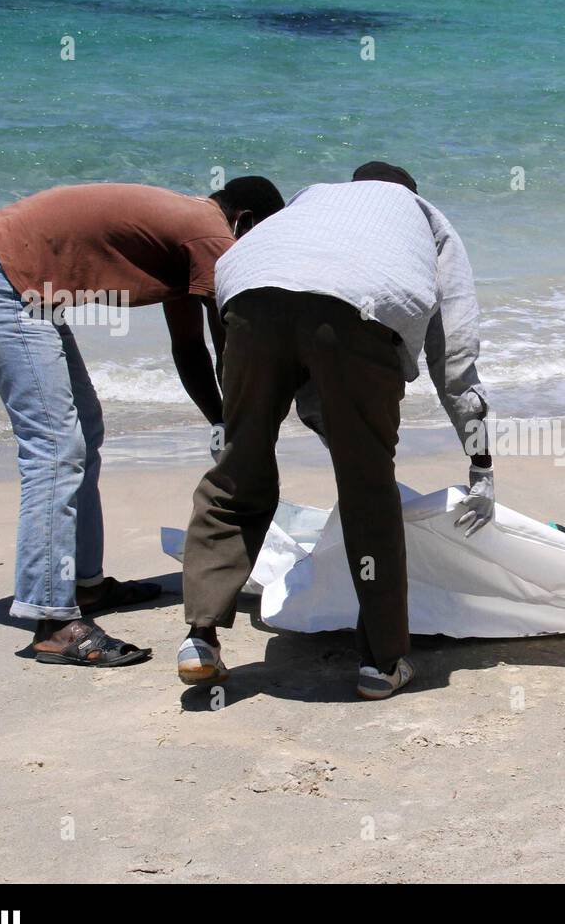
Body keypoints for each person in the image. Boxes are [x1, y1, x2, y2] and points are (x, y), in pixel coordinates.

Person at [177, 162, 494, 700]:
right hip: (361, 309)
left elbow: (295, 327)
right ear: (409, 193)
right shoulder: (426, 219)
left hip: (248, 292)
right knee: (367, 490)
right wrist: (480, 463)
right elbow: (454, 353)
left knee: (238, 471)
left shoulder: (312, 197)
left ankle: (200, 637)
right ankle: (382, 663)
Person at [0, 177, 283, 667]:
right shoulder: (211, 238)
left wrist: (220, 422)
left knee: (84, 430)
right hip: (1, 274)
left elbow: (190, 348)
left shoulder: (190, 237)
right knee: (55, 448)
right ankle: (54, 622)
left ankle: (84, 585)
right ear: (246, 224)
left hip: (15, 273)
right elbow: (231, 342)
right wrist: (244, 431)